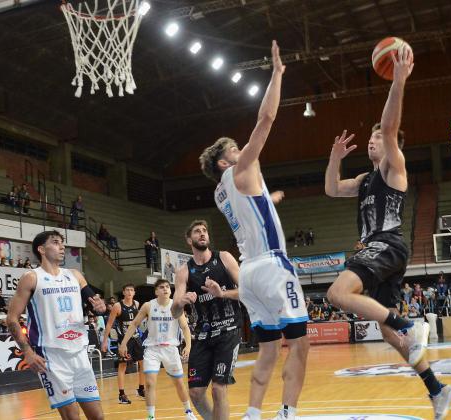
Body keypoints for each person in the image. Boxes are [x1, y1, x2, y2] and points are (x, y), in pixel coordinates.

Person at [322, 44, 451, 420]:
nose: (372, 140)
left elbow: (392, 126)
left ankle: (410, 325)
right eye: (371, 138)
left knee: (336, 293)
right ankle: (437, 388)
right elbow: (332, 189)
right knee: (385, 333)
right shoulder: (364, 180)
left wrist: (398, 81)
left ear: (392, 145)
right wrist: (334, 158)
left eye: (377, 138)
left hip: (387, 243)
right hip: (383, 252)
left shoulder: (393, 169)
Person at [199, 41, 310, 420]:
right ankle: (288, 413)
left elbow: (251, 209)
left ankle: (252, 414)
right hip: (273, 265)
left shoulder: (220, 192)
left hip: (249, 274)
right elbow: (265, 120)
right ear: (223, 160)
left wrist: (271, 198)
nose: (242, 150)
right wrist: (277, 75)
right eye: (235, 148)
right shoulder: (238, 170)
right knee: (300, 344)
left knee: (267, 348)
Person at [5, 230, 107, 420]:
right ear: (41, 249)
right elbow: (12, 318)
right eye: (56, 242)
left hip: (79, 353)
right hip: (51, 356)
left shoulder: (75, 275)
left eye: (62, 243)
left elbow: (97, 305)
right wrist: (27, 352)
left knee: (98, 417)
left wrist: (101, 306)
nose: (62, 246)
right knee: (72, 416)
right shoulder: (31, 278)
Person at [172, 220, 243, 420]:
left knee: (219, 389)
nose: (202, 233)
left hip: (229, 330)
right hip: (202, 335)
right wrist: (181, 302)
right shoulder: (184, 271)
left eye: (204, 231)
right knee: (195, 393)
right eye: (197, 231)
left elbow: (248, 291)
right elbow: (175, 312)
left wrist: (223, 293)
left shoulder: (224, 258)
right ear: (189, 239)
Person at [119, 280, 195, 420]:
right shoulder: (148, 306)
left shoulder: (176, 305)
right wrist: (123, 343)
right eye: (161, 287)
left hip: (171, 349)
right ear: (156, 291)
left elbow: (184, 327)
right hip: (152, 349)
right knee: (149, 383)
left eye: (167, 287)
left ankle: (188, 411)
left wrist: (188, 345)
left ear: (170, 291)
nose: (165, 289)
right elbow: (135, 323)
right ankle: (151, 416)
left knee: (179, 383)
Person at [101, 284, 146, 404]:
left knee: (143, 363)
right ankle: (121, 394)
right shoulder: (117, 306)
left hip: (136, 338)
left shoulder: (136, 304)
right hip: (124, 341)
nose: (130, 292)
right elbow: (109, 324)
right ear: (123, 292)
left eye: (132, 290)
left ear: (134, 292)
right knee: (123, 366)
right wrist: (105, 341)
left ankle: (141, 389)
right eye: (127, 290)